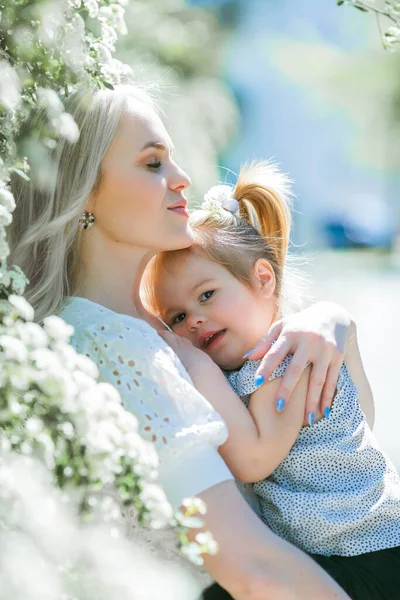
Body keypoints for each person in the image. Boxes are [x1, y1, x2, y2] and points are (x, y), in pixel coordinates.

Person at [9, 84, 351, 600]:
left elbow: (344, 450)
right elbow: (255, 571)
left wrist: (332, 320)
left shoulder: (169, 329)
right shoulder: (111, 345)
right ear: (84, 192)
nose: (183, 179)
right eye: (152, 163)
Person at [146, 160, 400, 600]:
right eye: (178, 317)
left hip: (369, 551)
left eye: (206, 295)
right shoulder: (243, 369)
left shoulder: (282, 359)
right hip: (335, 552)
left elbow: (253, 460)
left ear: (262, 279)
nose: (194, 321)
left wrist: (195, 363)